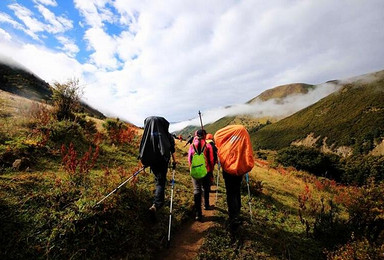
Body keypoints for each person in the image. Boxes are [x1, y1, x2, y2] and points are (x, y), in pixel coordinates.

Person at [214, 125, 254, 232]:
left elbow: (217, 137)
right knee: (236, 191)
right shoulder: (243, 138)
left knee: (230, 193)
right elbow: (247, 153)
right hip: (239, 171)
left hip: (228, 172)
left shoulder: (227, 144)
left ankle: (233, 217)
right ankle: (237, 213)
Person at [138, 116, 177, 220]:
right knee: (160, 182)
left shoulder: (147, 135)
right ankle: (156, 204)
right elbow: (172, 149)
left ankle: (156, 199)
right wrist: (174, 161)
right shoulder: (167, 136)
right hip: (162, 161)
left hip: (151, 161)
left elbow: (143, 147)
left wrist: (144, 161)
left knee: (158, 179)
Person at [188, 129, 214, 221]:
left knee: (197, 190)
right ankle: (206, 205)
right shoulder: (208, 146)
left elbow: (189, 160)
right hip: (206, 171)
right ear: (204, 136)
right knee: (206, 188)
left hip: (195, 171)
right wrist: (210, 171)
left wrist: (192, 169)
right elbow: (211, 160)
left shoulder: (191, 146)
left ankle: (198, 214)